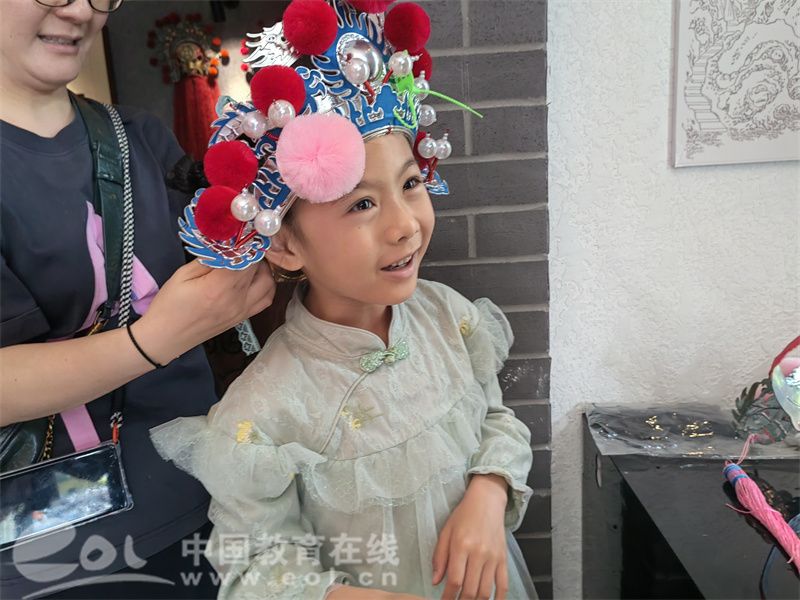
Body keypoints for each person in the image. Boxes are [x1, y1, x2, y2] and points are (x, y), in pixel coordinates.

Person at [150, 1, 539, 598]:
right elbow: (255, 566)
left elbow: (494, 418)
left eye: (411, 183)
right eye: (361, 203)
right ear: (284, 245)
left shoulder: (448, 317)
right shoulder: (264, 409)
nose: (405, 225)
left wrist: (488, 492)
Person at [0, 0, 274, 597]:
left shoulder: (139, 137)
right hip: (53, 553)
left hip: (209, 502)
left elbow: (231, 256)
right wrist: (158, 338)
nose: (80, 10)